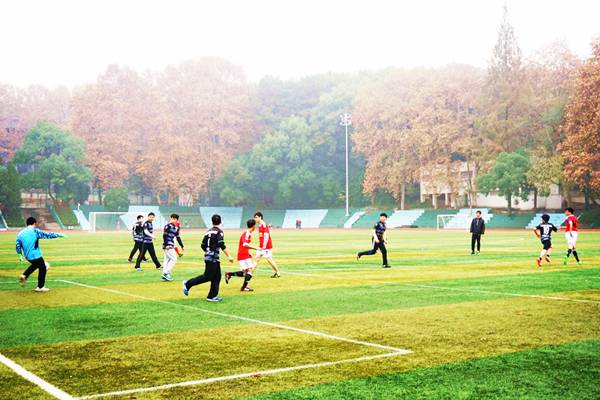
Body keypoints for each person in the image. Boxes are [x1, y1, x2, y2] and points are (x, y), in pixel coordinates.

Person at [182, 214, 234, 301]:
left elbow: (203, 245)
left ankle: (212, 296)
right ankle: (188, 284)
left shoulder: (208, 232)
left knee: (217, 276)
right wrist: (229, 255)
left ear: (212, 222)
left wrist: (208, 252)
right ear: (220, 222)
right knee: (207, 276)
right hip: (213, 257)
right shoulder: (219, 232)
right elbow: (221, 243)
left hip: (210, 257)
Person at [15, 217, 68, 292]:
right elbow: (47, 235)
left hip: (27, 256)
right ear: (34, 224)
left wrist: (20, 255)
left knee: (36, 265)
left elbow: (18, 244)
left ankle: (25, 275)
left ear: (27, 224)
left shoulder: (20, 233)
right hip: (35, 254)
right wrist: (59, 235)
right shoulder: (35, 231)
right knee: (43, 267)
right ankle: (40, 287)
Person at [225, 219, 261, 292]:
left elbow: (243, 245)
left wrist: (248, 252)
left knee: (246, 273)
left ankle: (229, 274)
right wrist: (255, 248)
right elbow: (245, 244)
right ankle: (243, 287)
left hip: (243, 254)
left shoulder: (247, 233)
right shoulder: (247, 234)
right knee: (250, 270)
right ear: (254, 226)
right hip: (243, 256)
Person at [252, 212, 281, 278]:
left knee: (269, 259)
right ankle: (250, 273)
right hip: (261, 246)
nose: (255, 219)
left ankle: (277, 272)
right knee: (256, 258)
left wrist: (264, 245)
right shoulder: (259, 226)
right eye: (254, 218)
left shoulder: (264, 225)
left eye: (256, 217)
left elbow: (266, 235)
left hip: (266, 246)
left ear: (260, 217)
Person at [161, 213, 184, 282]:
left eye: (174, 219)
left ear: (177, 220)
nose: (173, 220)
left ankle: (164, 276)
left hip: (171, 244)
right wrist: (166, 245)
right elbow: (164, 235)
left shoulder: (175, 227)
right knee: (174, 259)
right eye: (172, 219)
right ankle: (166, 273)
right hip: (168, 245)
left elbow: (178, 237)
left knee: (166, 260)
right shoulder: (168, 226)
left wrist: (182, 245)